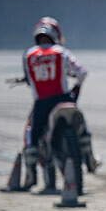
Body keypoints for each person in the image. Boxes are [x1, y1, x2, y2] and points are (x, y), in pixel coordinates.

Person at [22, 16, 93, 189]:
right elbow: (81, 72)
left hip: (42, 103)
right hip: (64, 99)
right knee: (82, 125)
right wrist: (76, 88)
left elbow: (29, 80)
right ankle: (90, 157)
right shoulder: (61, 52)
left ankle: (31, 174)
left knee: (31, 134)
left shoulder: (29, 55)